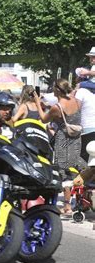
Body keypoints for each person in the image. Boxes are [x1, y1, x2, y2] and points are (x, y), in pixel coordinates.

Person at [34, 78, 86, 214]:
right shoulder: (77, 102)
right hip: (76, 137)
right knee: (77, 165)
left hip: (63, 139)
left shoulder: (57, 107)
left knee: (63, 171)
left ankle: (67, 205)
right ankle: (83, 198)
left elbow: (43, 119)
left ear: (57, 89)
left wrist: (37, 103)